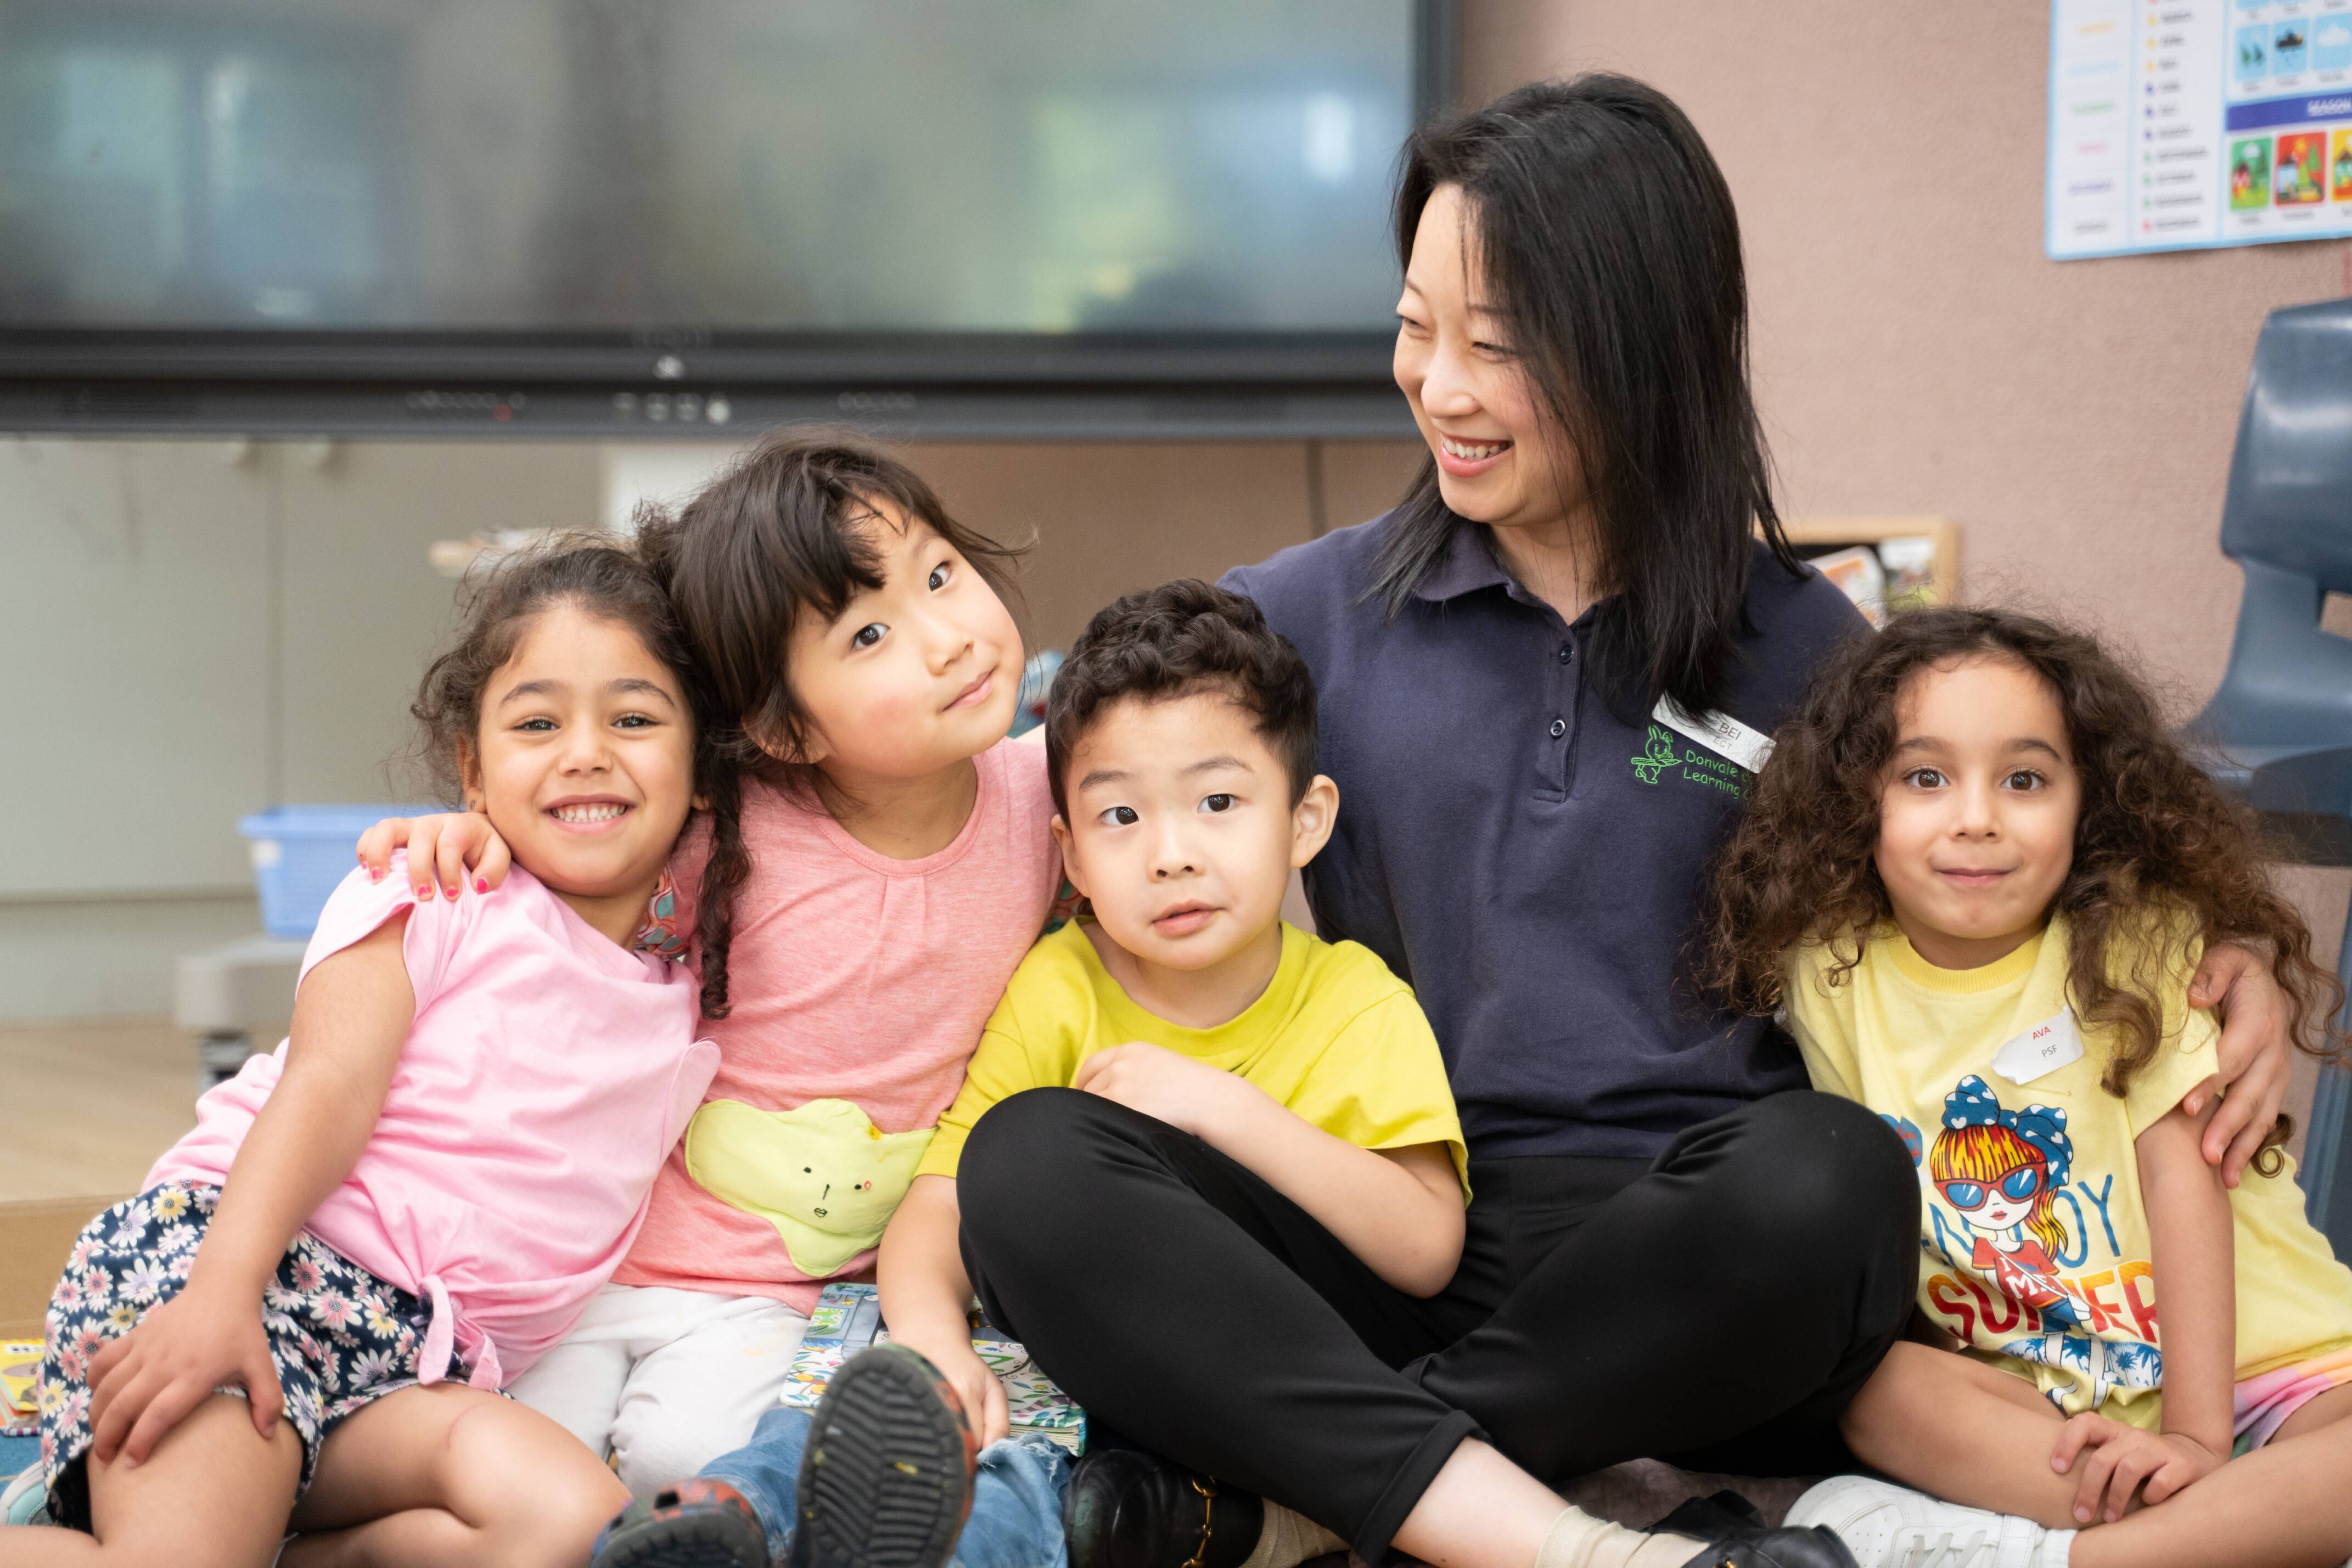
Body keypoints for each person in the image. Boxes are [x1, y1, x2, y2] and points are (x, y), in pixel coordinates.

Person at [949, 74, 2302, 1568]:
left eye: (1496, 347)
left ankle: (1313, 1489)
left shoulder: (1814, 653)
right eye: (1415, 328)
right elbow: (1041, 776)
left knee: (1833, 1175)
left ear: (1640, 356)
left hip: (1698, 1261)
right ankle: (1517, 1522)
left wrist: (2211, 940)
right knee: (1031, 1163)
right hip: (1400, 1207)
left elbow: (2022, 835)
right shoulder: (1301, 615)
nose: (1436, 387)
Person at [591, 578, 1497, 1568]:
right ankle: (733, 1522)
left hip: (1175, 1376)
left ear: (1305, 820)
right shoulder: (1061, 979)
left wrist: (1220, 1107)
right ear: (1066, 847)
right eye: (1120, 818)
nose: (1171, 855)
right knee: (860, 1390)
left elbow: (1425, 1250)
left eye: (1219, 802)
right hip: (1002, 1340)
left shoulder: (1354, 1001)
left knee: (1033, 1477)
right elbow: (940, 1195)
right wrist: (933, 1334)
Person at [352, 433, 1069, 1523]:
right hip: (594, 1262)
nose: (947, 640)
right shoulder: (722, 834)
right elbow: (566, 852)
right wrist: (459, 832)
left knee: (681, 1468)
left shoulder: (1047, 802)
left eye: (939, 574)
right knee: (519, 1467)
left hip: (783, 1297)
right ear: (780, 726)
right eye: (870, 633)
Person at [2, 542, 727, 1567]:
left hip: (417, 1371)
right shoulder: (430, 891)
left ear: (702, 771)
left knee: (576, 1528)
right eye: (536, 723)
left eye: (635, 718)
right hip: (239, 1271)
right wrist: (219, 1296)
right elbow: (327, 1085)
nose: (585, 752)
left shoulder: (690, 971)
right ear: (472, 772)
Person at [1707, 608, 2352, 1568]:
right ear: (1857, 800)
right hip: (2054, 1401)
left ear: (2086, 803)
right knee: (1879, 1396)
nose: (1976, 816)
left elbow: (2186, 1186)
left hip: (2267, 1370)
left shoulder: (2132, 940)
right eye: (1926, 776)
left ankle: (2077, 1558)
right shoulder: (1826, 970)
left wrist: (2193, 1440)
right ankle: (2226, 1536)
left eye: (2024, 778)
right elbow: (1886, 1198)